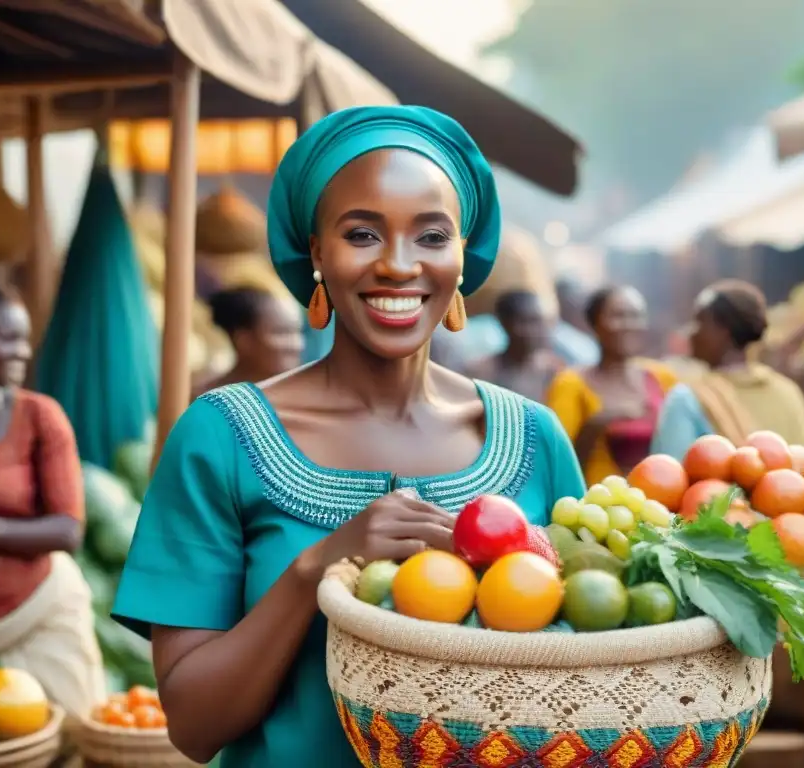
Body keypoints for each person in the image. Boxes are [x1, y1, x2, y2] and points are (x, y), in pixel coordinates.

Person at [110, 105, 586, 766]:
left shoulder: (534, 439)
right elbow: (194, 725)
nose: (398, 265)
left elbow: (583, 674)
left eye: (431, 235)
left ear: (462, 256)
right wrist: (316, 569)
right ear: (316, 253)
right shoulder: (220, 438)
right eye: (362, 235)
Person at [0, 279, 105, 718]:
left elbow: (68, 529)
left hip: (37, 613)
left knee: (71, 739)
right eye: (6, 338)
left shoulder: (40, 418)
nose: (22, 351)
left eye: (24, 338)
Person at [650, 279, 804, 458]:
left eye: (699, 322)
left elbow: (667, 476)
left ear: (723, 331)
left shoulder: (687, 399)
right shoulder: (788, 392)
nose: (692, 333)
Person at [547, 286, 674, 484]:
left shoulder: (662, 378)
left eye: (636, 316)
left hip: (662, 504)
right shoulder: (570, 384)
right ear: (595, 324)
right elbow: (556, 464)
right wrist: (596, 424)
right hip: (599, 507)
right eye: (618, 316)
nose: (629, 325)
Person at [192, 287, 304, 398]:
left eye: (297, 332)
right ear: (244, 340)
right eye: (281, 333)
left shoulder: (303, 397)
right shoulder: (205, 401)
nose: (297, 345)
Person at [466, 289, 564, 401]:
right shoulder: (482, 372)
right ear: (505, 323)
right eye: (526, 322)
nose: (536, 330)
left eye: (538, 321)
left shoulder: (554, 371)